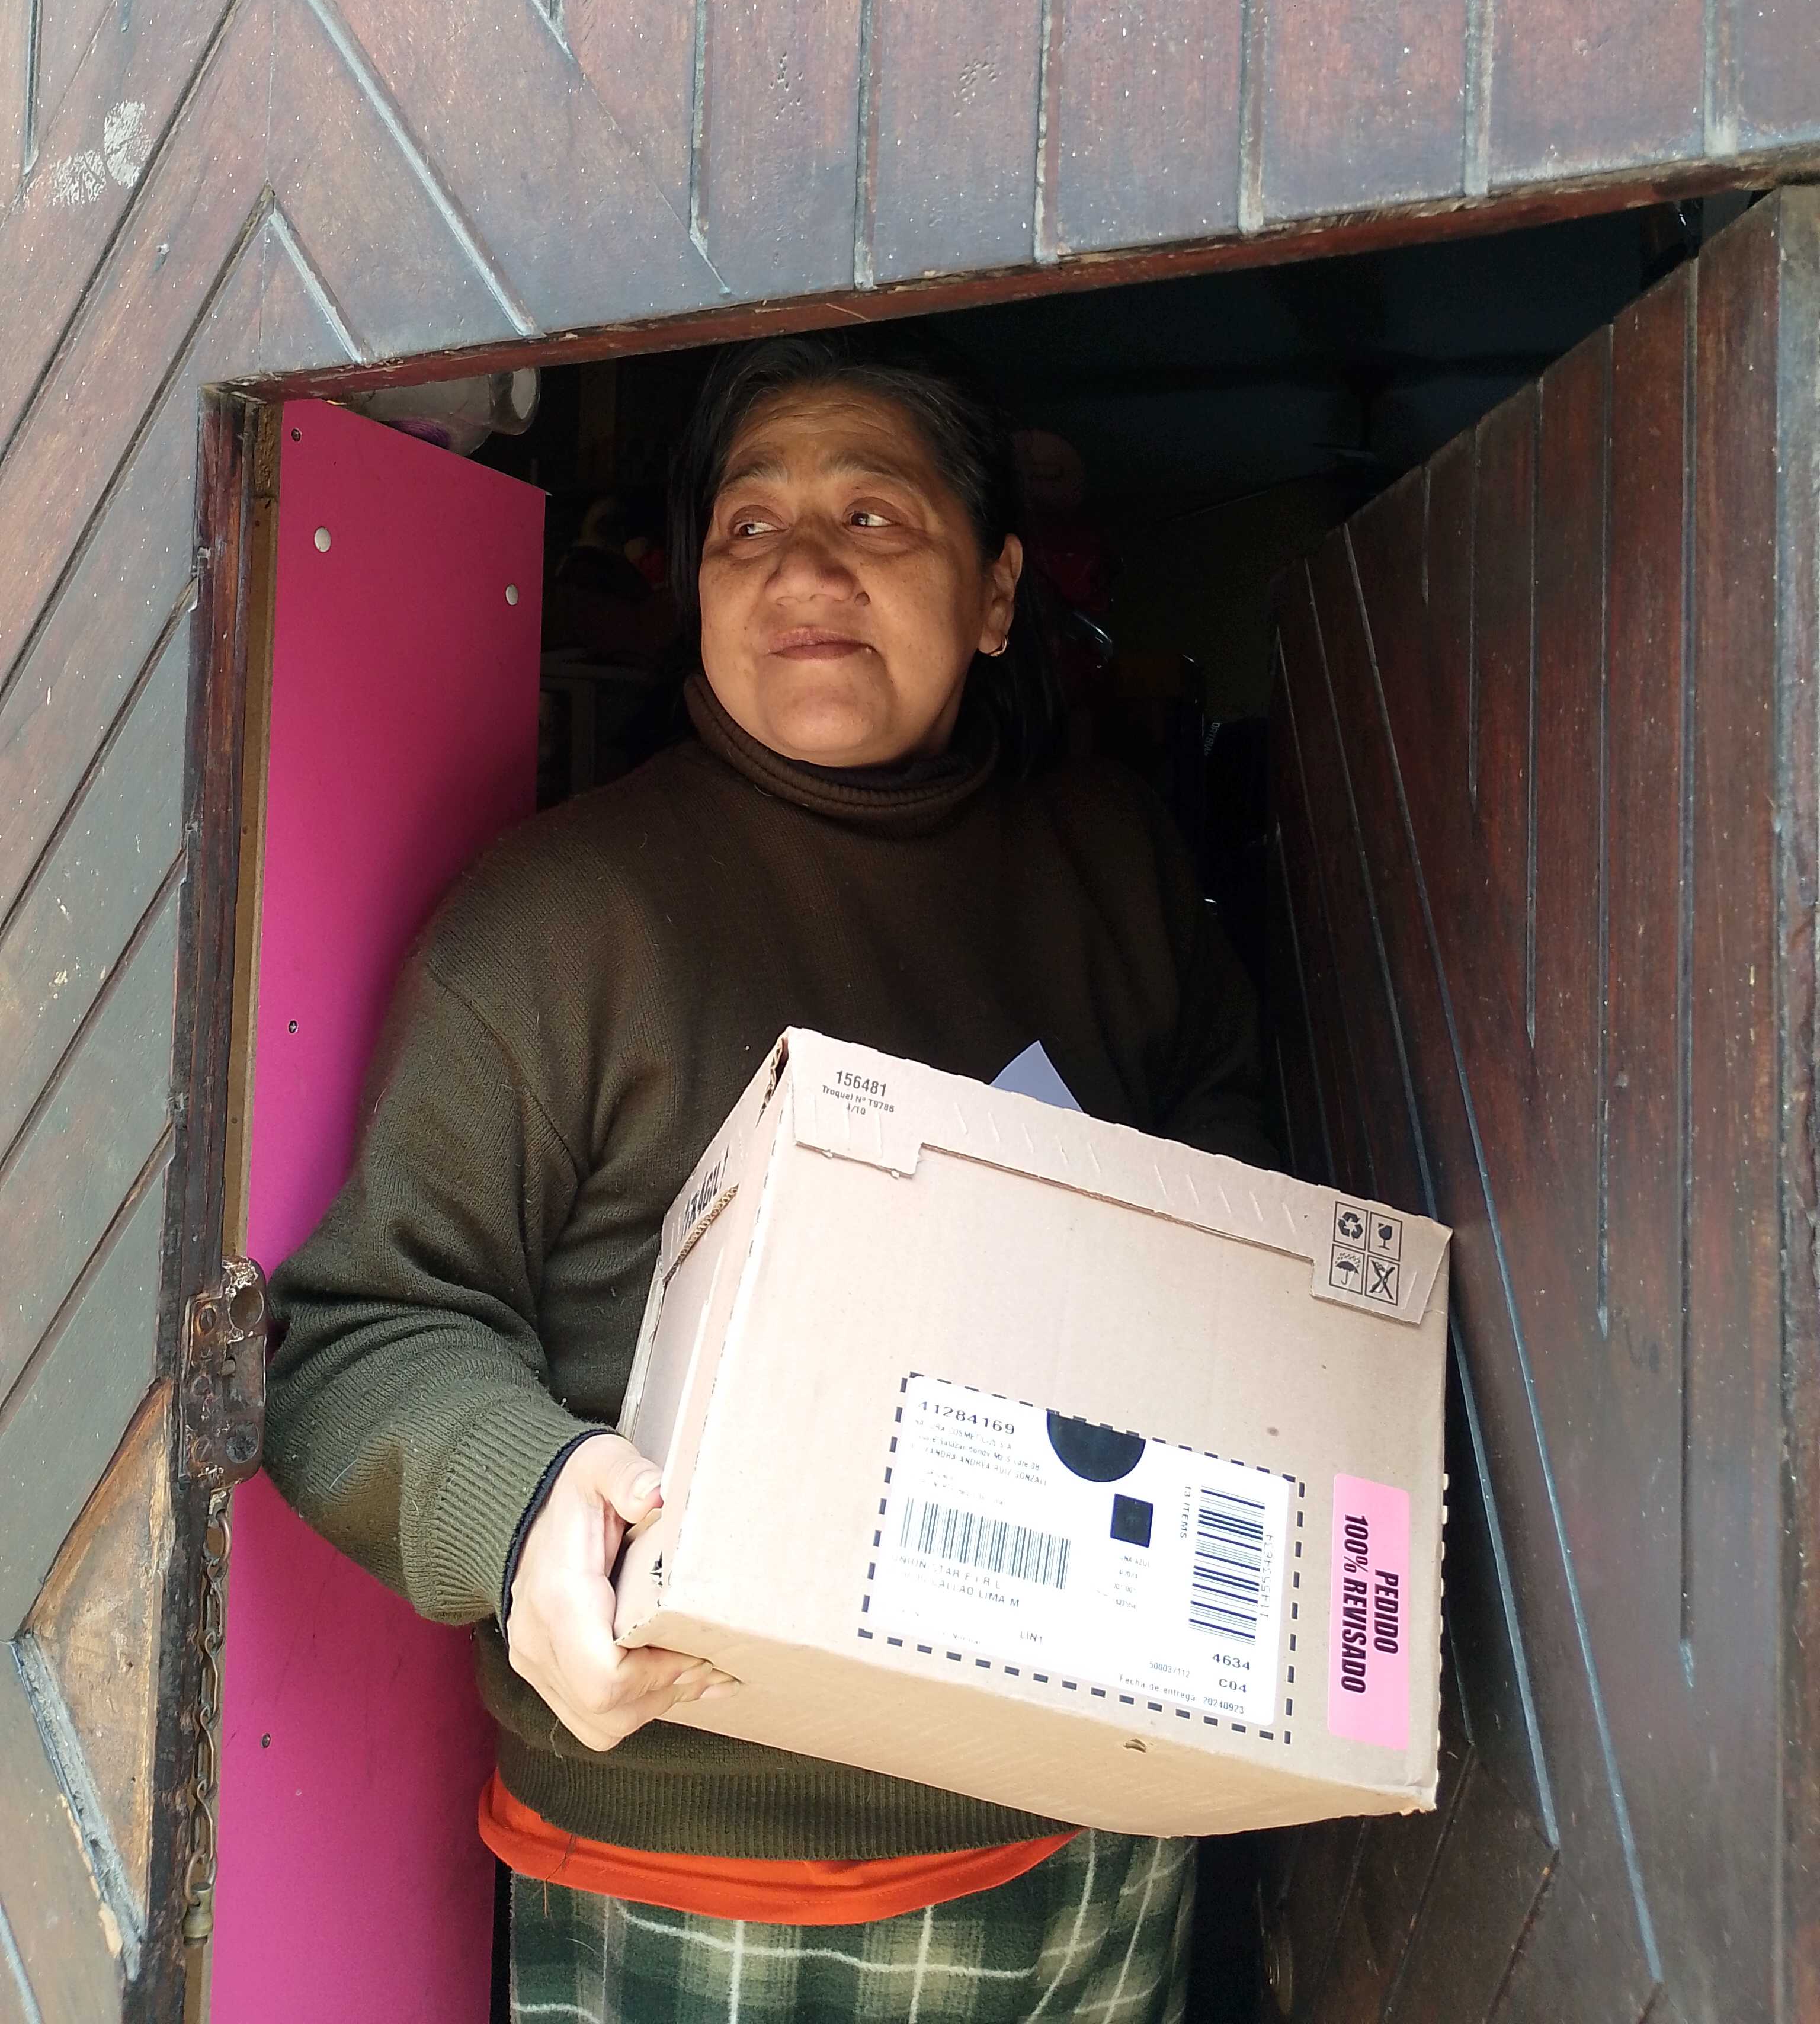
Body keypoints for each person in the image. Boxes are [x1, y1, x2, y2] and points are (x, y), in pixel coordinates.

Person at [264, 337, 1276, 2023]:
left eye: (872, 515)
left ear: (997, 590)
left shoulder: (1117, 869)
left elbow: (1240, 1186)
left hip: (1103, 1821)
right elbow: (360, 1328)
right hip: (714, 1866)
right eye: (750, 526)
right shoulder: (559, 919)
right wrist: (522, 1505)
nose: (803, 568)